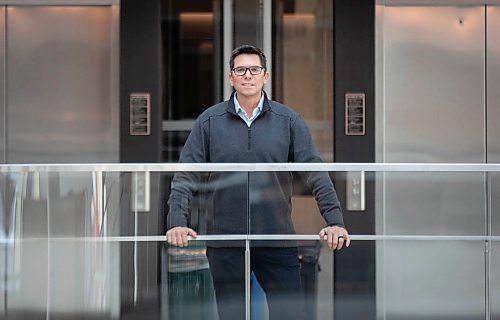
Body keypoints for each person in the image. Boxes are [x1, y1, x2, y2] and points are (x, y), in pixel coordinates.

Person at [166, 44, 350, 320]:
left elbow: (315, 173)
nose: (247, 75)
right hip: (226, 239)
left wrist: (334, 220)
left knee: (290, 314)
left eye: (254, 69)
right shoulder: (210, 121)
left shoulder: (287, 120)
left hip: (276, 236)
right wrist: (177, 221)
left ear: (266, 76)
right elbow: (186, 175)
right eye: (241, 70)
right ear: (231, 77)